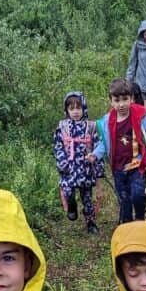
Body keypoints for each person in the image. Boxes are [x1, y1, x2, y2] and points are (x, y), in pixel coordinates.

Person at [89, 78, 146, 225]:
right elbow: (105, 143)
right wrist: (95, 154)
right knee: (124, 198)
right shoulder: (108, 121)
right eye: (117, 100)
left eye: (125, 99)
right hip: (118, 168)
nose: (121, 104)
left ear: (132, 99)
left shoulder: (139, 116)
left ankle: (140, 218)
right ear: (111, 101)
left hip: (137, 164)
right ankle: (127, 224)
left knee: (137, 194)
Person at [53, 90, 102, 235]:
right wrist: (62, 163)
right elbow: (58, 146)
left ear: (84, 108)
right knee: (68, 191)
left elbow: (98, 146)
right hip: (69, 169)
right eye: (71, 108)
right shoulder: (62, 127)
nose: (75, 112)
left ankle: (90, 221)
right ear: (67, 110)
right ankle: (71, 205)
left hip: (85, 169)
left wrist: (96, 164)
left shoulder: (91, 127)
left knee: (87, 197)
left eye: (78, 108)